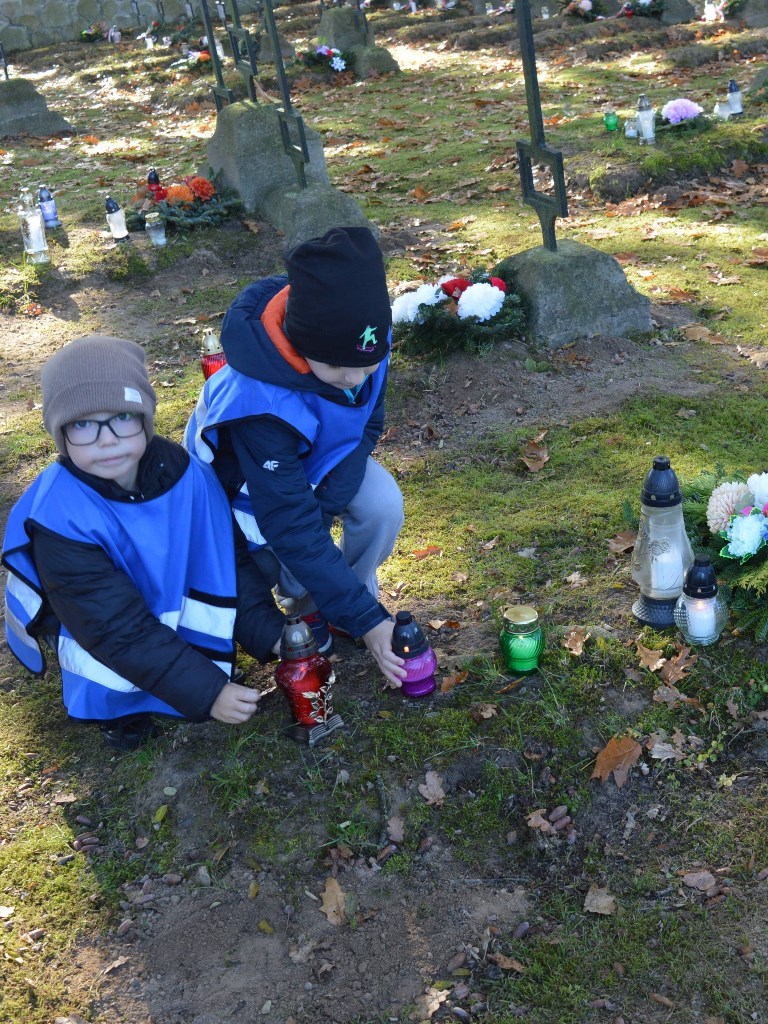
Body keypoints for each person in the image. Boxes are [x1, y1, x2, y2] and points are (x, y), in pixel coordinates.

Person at [2, 335, 285, 750]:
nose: (106, 439)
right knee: (110, 663)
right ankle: (120, 712)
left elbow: (229, 564)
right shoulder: (58, 516)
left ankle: (185, 666)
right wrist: (209, 692)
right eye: (82, 424)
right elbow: (112, 627)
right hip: (102, 629)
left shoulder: (190, 477)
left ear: (145, 418)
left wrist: (271, 633)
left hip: (153, 611)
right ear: (60, 435)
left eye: (122, 416)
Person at [185, 226, 407, 687]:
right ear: (301, 345)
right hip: (244, 492)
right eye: (338, 368)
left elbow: (367, 425)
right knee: (286, 554)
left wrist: (328, 500)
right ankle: (311, 604)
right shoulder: (259, 400)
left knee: (382, 504)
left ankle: (341, 602)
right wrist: (370, 619)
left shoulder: (366, 346)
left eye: (366, 367)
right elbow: (287, 520)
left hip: (318, 464)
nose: (354, 379)